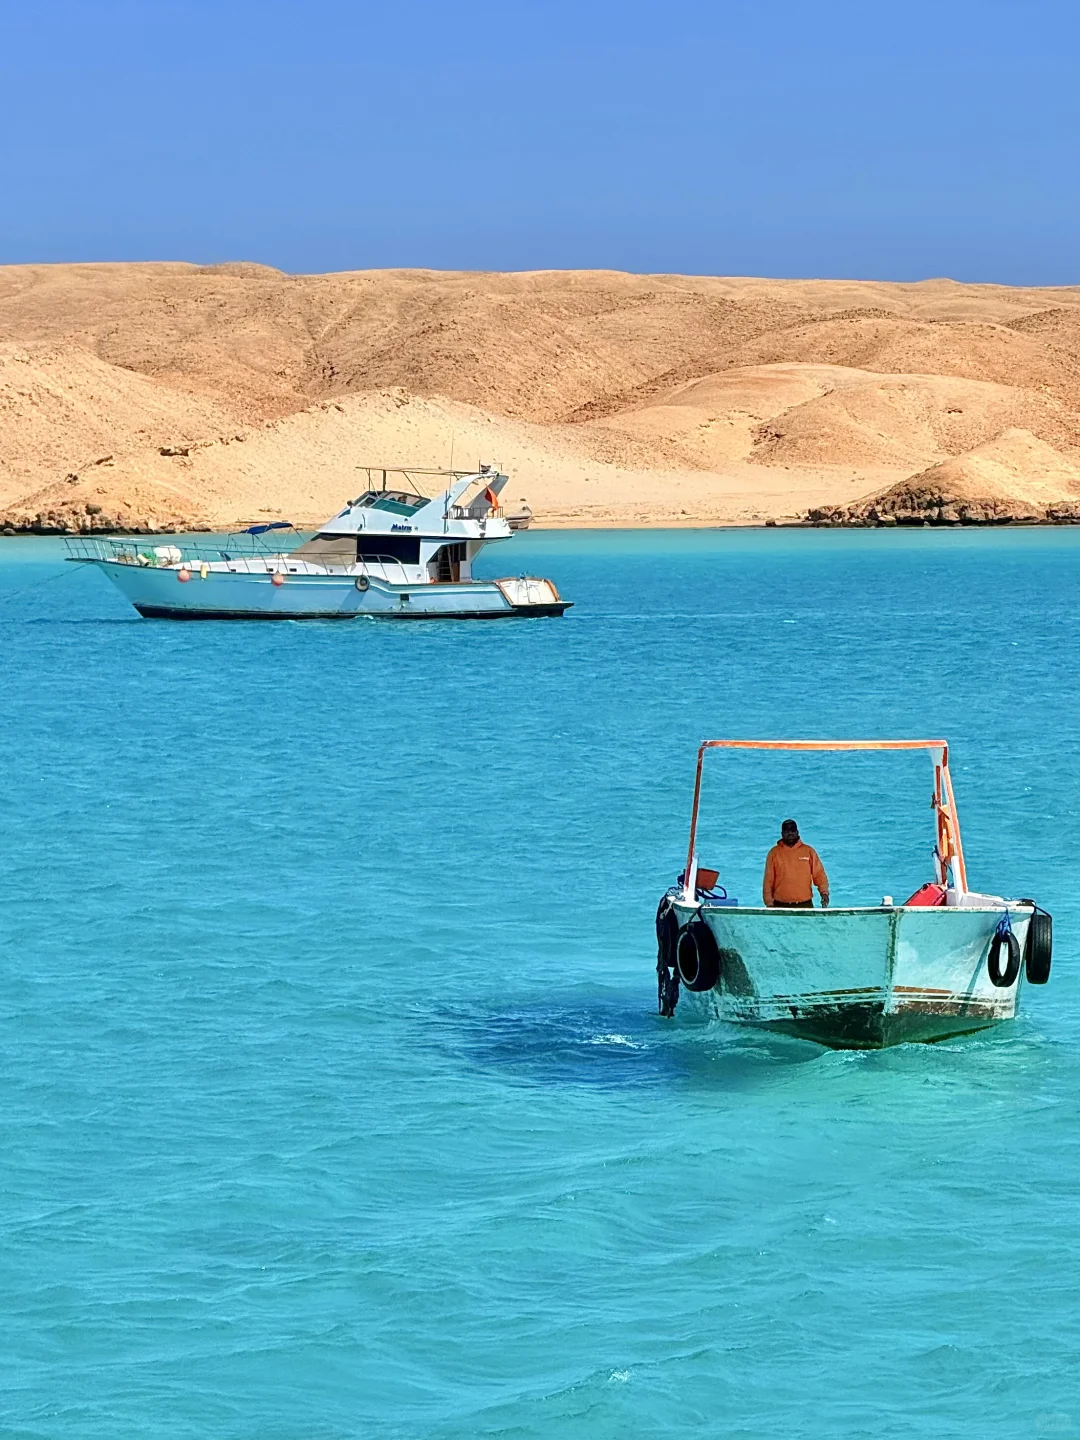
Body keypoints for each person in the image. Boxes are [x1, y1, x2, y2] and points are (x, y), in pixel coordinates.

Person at [762, 819, 830, 908]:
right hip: (780, 905)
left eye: (792, 830)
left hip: (805, 904)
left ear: (797, 832)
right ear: (782, 834)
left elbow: (819, 875)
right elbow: (768, 881)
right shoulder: (774, 853)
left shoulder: (809, 851)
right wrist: (769, 903)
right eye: (787, 831)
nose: (790, 833)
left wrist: (824, 893)